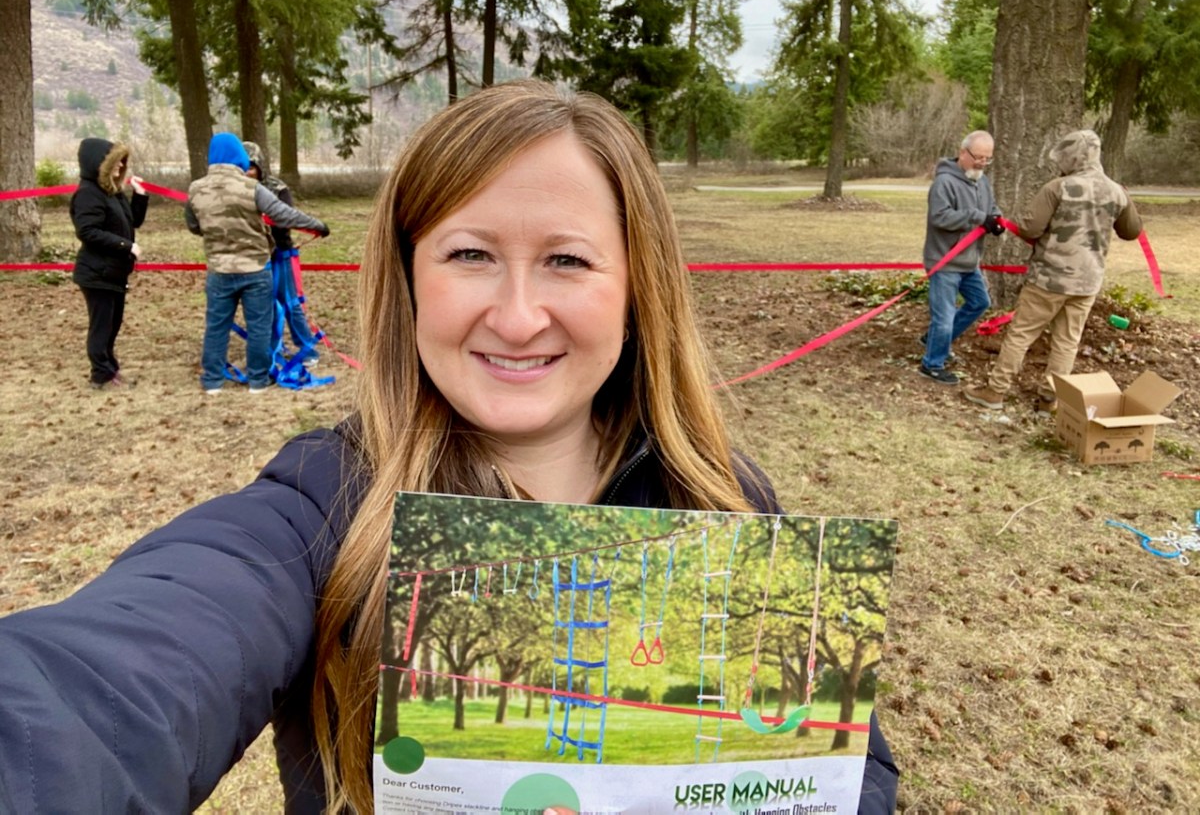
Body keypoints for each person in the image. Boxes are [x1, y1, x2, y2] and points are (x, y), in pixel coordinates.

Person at [0, 82, 899, 814]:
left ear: (637, 288)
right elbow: (108, 687)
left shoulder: (725, 498)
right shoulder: (322, 509)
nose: (517, 317)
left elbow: (848, 767)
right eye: (470, 254)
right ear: (410, 278)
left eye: (568, 260)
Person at [964, 129, 1142, 410]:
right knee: (1067, 342)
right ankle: (1050, 398)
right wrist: (1124, 201)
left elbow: (1030, 228)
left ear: (1069, 157)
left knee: (1021, 334)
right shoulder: (1116, 191)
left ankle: (995, 391)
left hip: (1048, 279)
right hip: (1087, 283)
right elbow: (1131, 231)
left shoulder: (1057, 188)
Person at [184, 132, 330, 394]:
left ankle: (213, 382)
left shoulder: (196, 189)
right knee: (259, 326)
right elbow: (284, 214)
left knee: (216, 327)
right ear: (238, 157)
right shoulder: (251, 188)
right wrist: (317, 225)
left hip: (219, 271)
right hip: (255, 270)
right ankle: (258, 381)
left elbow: (194, 226)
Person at [919, 130, 1005, 386]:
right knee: (944, 318)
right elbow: (940, 217)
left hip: (969, 262)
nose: (982, 163)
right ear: (962, 152)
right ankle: (932, 364)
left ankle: (933, 340)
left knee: (980, 302)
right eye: (978, 157)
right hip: (944, 261)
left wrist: (996, 221)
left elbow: (991, 209)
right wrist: (978, 218)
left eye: (987, 158)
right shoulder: (944, 183)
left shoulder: (982, 181)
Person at [69, 137, 148, 390]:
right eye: (115, 162)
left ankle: (110, 369)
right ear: (99, 164)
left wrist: (140, 196)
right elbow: (87, 231)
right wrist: (126, 246)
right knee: (102, 327)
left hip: (114, 272)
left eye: (122, 162)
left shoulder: (111, 191)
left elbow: (132, 221)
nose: (120, 166)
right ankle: (101, 375)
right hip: (96, 273)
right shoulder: (87, 194)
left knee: (113, 325)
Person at [243, 141, 322, 368]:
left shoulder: (277, 188)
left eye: (251, 167)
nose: (247, 172)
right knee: (263, 305)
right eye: (242, 167)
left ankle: (307, 348)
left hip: (279, 252)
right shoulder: (237, 190)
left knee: (290, 302)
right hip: (254, 256)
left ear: (260, 167)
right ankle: (270, 349)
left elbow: (286, 217)